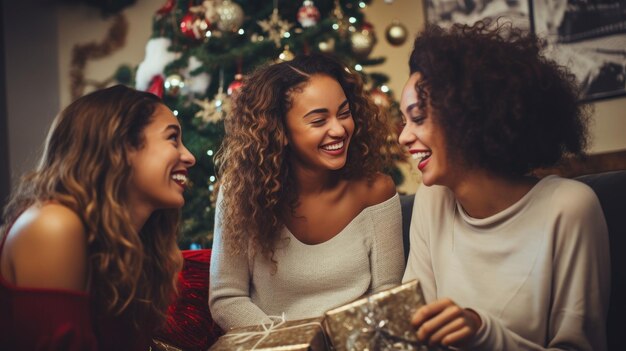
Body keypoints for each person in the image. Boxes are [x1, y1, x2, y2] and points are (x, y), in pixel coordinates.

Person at [399, 22, 610, 350]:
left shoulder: (570, 207)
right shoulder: (432, 200)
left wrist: (482, 333)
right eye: (404, 121)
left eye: (418, 117)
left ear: (467, 116)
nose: (403, 137)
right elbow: (409, 330)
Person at [209, 53, 405, 329]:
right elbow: (227, 299)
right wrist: (289, 345)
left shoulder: (377, 191)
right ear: (281, 131)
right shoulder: (239, 193)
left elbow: (387, 295)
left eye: (344, 113)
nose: (339, 129)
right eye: (318, 120)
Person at [0, 85, 196, 350]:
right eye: (173, 139)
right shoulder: (53, 225)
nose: (190, 157)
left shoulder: (131, 241)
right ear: (121, 146)